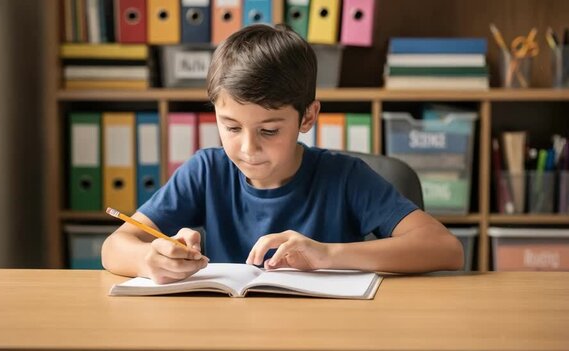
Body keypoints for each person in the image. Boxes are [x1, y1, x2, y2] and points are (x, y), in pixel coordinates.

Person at [102, 24, 463, 284]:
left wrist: (327, 256)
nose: (247, 148)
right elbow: (114, 247)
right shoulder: (205, 171)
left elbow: (444, 248)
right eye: (231, 127)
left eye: (269, 130)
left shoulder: (345, 177)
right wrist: (150, 259)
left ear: (308, 116)